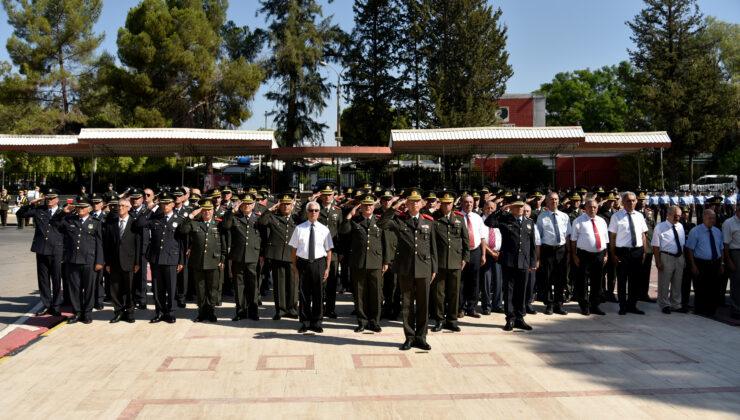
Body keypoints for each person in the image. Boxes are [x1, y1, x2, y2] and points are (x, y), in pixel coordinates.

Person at [378, 188, 437, 351]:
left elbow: (433, 248)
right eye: (411, 201)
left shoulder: (428, 221)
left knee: (423, 304)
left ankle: (421, 337)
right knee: (407, 304)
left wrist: (434, 268)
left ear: (422, 203)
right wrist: (395, 206)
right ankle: (409, 337)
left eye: (417, 201)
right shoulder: (399, 220)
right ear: (407, 203)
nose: (414, 204)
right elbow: (381, 223)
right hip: (406, 268)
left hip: (424, 267)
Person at [484, 194, 538, 331]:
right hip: (509, 261)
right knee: (509, 291)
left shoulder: (529, 222)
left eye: (522, 206)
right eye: (517, 205)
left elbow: (531, 244)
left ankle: (520, 318)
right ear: (511, 207)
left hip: (524, 262)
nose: (520, 208)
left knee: (521, 290)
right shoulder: (504, 220)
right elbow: (488, 222)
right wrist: (501, 209)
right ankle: (510, 319)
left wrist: (533, 261)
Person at [135, 192, 185, 323]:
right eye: (163, 203)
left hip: (171, 259)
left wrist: (181, 261)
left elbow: (182, 243)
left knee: (171, 287)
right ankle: (159, 312)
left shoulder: (179, 219)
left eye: (168, 203)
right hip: (156, 258)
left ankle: (171, 312)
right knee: (158, 289)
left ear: (173, 204)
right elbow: (138, 224)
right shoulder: (155, 218)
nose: (165, 205)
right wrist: (149, 208)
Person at [55, 195, 104, 324]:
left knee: (89, 289)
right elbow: (55, 224)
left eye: (83, 207)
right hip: (73, 260)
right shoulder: (70, 220)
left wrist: (99, 261)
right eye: (78, 207)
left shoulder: (96, 222)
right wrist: (63, 212)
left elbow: (100, 243)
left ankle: (87, 313)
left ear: (89, 209)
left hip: (89, 261)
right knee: (74, 288)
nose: (80, 209)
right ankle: (77, 312)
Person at [16, 188, 65, 316]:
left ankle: (56, 305)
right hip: (42, 248)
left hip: (57, 249)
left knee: (56, 278)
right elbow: (20, 214)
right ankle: (46, 304)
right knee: (43, 279)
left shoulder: (63, 212)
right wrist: (30, 203)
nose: (50, 200)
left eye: (52, 198)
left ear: (57, 199)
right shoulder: (39, 210)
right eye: (48, 198)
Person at [341, 194, 385, 333]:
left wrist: (386, 261)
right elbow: (343, 231)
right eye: (365, 205)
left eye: (370, 205)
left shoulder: (379, 221)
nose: (368, 207)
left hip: (376, 262)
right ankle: (362, 322)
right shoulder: (355, 221)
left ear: (374, 206)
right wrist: (350, 215)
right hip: (358, 262)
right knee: (359, 295)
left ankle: (374, 322)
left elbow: (385, 243)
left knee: (376, 294)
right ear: (361, 207)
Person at [179, 199, 226, 322]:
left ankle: (211, 312)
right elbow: (183, 230)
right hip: (198, 261)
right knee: (200, 289)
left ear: (212, 211)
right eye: (204, 210)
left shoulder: (219, 224)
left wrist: (223, 259)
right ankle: (201, 312)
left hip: (214, 261)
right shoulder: (195, 223)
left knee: (212, 289)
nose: (207, 213)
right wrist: (192, 215)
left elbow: (223, 244)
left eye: (209, 210)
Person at [290, 201, 333, 333]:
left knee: (318, 294)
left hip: (319, 263)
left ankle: (317, 322)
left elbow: (328, 251)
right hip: (303, 263)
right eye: (311, 210)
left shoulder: (324, 229)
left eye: (315, 210)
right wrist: (295, 267)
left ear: (319, 213)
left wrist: (327, 268)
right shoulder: (299, 228)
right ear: (307, 212)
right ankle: (305, 322)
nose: (313, 213)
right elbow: (294, 249)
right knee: (304, 294)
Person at [430, 191, 469, 332]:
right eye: (445, 203)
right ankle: (439, 320)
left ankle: (452, 320)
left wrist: (465, 258)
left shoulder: (459, 218)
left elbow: (466, 240)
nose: (447, 205)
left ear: (453, 204)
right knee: (439, 294)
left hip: (455, 261)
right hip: (439, 262)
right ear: (440, 203)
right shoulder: (434, 217)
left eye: (450, 203)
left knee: (454, 292)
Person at [259, 191, 301, 320]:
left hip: (293, 255)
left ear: (292, 204)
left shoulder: (297, 218)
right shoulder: (273, 217)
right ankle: (280, 310)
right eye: (283, 204)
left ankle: (292, 309)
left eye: (288, 204)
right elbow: (262, 222)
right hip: (277, 255)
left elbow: (306, 217)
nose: (286, 206)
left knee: (293, 285)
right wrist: (271, 209)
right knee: (279, 284)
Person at [221, 193, 263, 321]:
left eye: (249, 204)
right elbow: (226, 226)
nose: (247, 206)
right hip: (238, 256)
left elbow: (264, 238)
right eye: (244, 203)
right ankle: (240, 311)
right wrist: (232, 210)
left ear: (253, 205)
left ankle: (253, 311)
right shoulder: (235, 217)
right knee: (239, 286)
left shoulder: (258, 219)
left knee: (253, 286)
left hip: (253, 257)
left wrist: (262, 254)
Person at [608, 192, 649, 315]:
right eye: (628, 201)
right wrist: (613, 253)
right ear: (623, 202)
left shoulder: (640, 216)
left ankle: (632, 305)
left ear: (636, 202)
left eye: (633, 200)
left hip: (637, 251)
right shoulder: (616, 217)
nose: (631, 203)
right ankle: (623, 306)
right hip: (622, 252)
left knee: (635, 280)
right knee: (622, 279)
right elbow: (612, 237)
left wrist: (644, 252)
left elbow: (643, 235)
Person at [103, 198, 141, 323]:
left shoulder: (134, 223)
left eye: (123, 206)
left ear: (129, 208)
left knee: (130, 289)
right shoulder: (111, 223)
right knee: (115, 289)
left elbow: (138, 244)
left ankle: (129, 312)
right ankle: (118, 312)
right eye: (119, 206)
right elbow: (107, 244)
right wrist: (107, 263)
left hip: (129, 262)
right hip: (114, 262)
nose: (120, 208)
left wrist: (137, 263)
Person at [570, 199, 609, 315]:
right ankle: (584, 305)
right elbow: (573, 241)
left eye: (595, 207)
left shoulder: (602, 221)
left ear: (597, 208)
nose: (592, 209)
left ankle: (595, 305)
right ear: (585, 208)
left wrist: (606, 255)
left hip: (599, 254)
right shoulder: (578, 221)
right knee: (582, 281)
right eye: (590, 207)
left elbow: (606, 239)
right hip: (584, 255)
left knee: (597, 280)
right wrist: (574, 255)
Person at [535, 192, 571, 315]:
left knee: (561, 278)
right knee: (547, 278)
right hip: (547, 249)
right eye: (551, 199)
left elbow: (567, 235)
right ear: (547, 202)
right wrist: (538, 256)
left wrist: (568, 252)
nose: (554, 201)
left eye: (556, 199)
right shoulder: (542, 217)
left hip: (561, 249)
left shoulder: (564, 216)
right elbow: (538, 236)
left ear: (559, 201)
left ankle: (559, 304)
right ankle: (549, 303)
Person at [686, 209, 724, 317]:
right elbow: (690, 249)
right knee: (701, 288)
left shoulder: (717, 231)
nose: (712, 220)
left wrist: (722, 263)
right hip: (701, 263)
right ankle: (700, 311)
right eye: (710, 218)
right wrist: (693, 265)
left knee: (714, 288)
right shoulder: (696, 231)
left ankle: (711, 311)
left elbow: (721, 248)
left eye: (714, 218)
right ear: (703, 218)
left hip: (715, 263)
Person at [651, 205, 687, 314]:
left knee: (677, 281)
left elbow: (682, 244)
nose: (677, 219)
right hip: (667, 256)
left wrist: (683, 258)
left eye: (679, 216)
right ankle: (664, 304)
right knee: (664, 282)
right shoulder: (660, 227)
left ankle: (676, 304)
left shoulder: (680, 226)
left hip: (679, 257)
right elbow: (656, 246)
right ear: (668, 215)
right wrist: (658, 261)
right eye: (675, 216)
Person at [458, 194, 487, 318]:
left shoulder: (477, 218)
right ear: (461, 203)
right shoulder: (456, 217)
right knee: (461, 281)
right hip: (460, 252)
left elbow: (482, 237)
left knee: (474, 281)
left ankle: (472, 307)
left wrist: (483, 254)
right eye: (466, 202)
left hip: (475, 252)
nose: (469, 204)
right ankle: (460, 308)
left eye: (471, 202)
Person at [479, 199, 503, 314]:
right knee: (486, 282)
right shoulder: (480, 222)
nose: (489, 210)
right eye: (487, 208)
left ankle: (497, 305)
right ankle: (486, 306)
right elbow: (481, 240)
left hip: (498, 255)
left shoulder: (499, 221)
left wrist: (498, 253)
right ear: (483, 209)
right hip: (486, 255)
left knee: (498, 281)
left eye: (492, 208)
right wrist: (491, 253)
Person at [636, 191, 657, 303]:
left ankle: (644, 293)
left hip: (648, 246)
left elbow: (653, 229)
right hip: (637, 246)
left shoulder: (650, 212)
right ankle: (635, 293)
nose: (642, 201)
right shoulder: (633, 213)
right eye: (640, 199)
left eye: (644, 199)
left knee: (646, 272)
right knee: (636, 272)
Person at [721, 203, 740, 319]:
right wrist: (728, 261)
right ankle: (736, 308)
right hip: (735, 253)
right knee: (737, 282)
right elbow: (726, 244)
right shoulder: (729, 223)